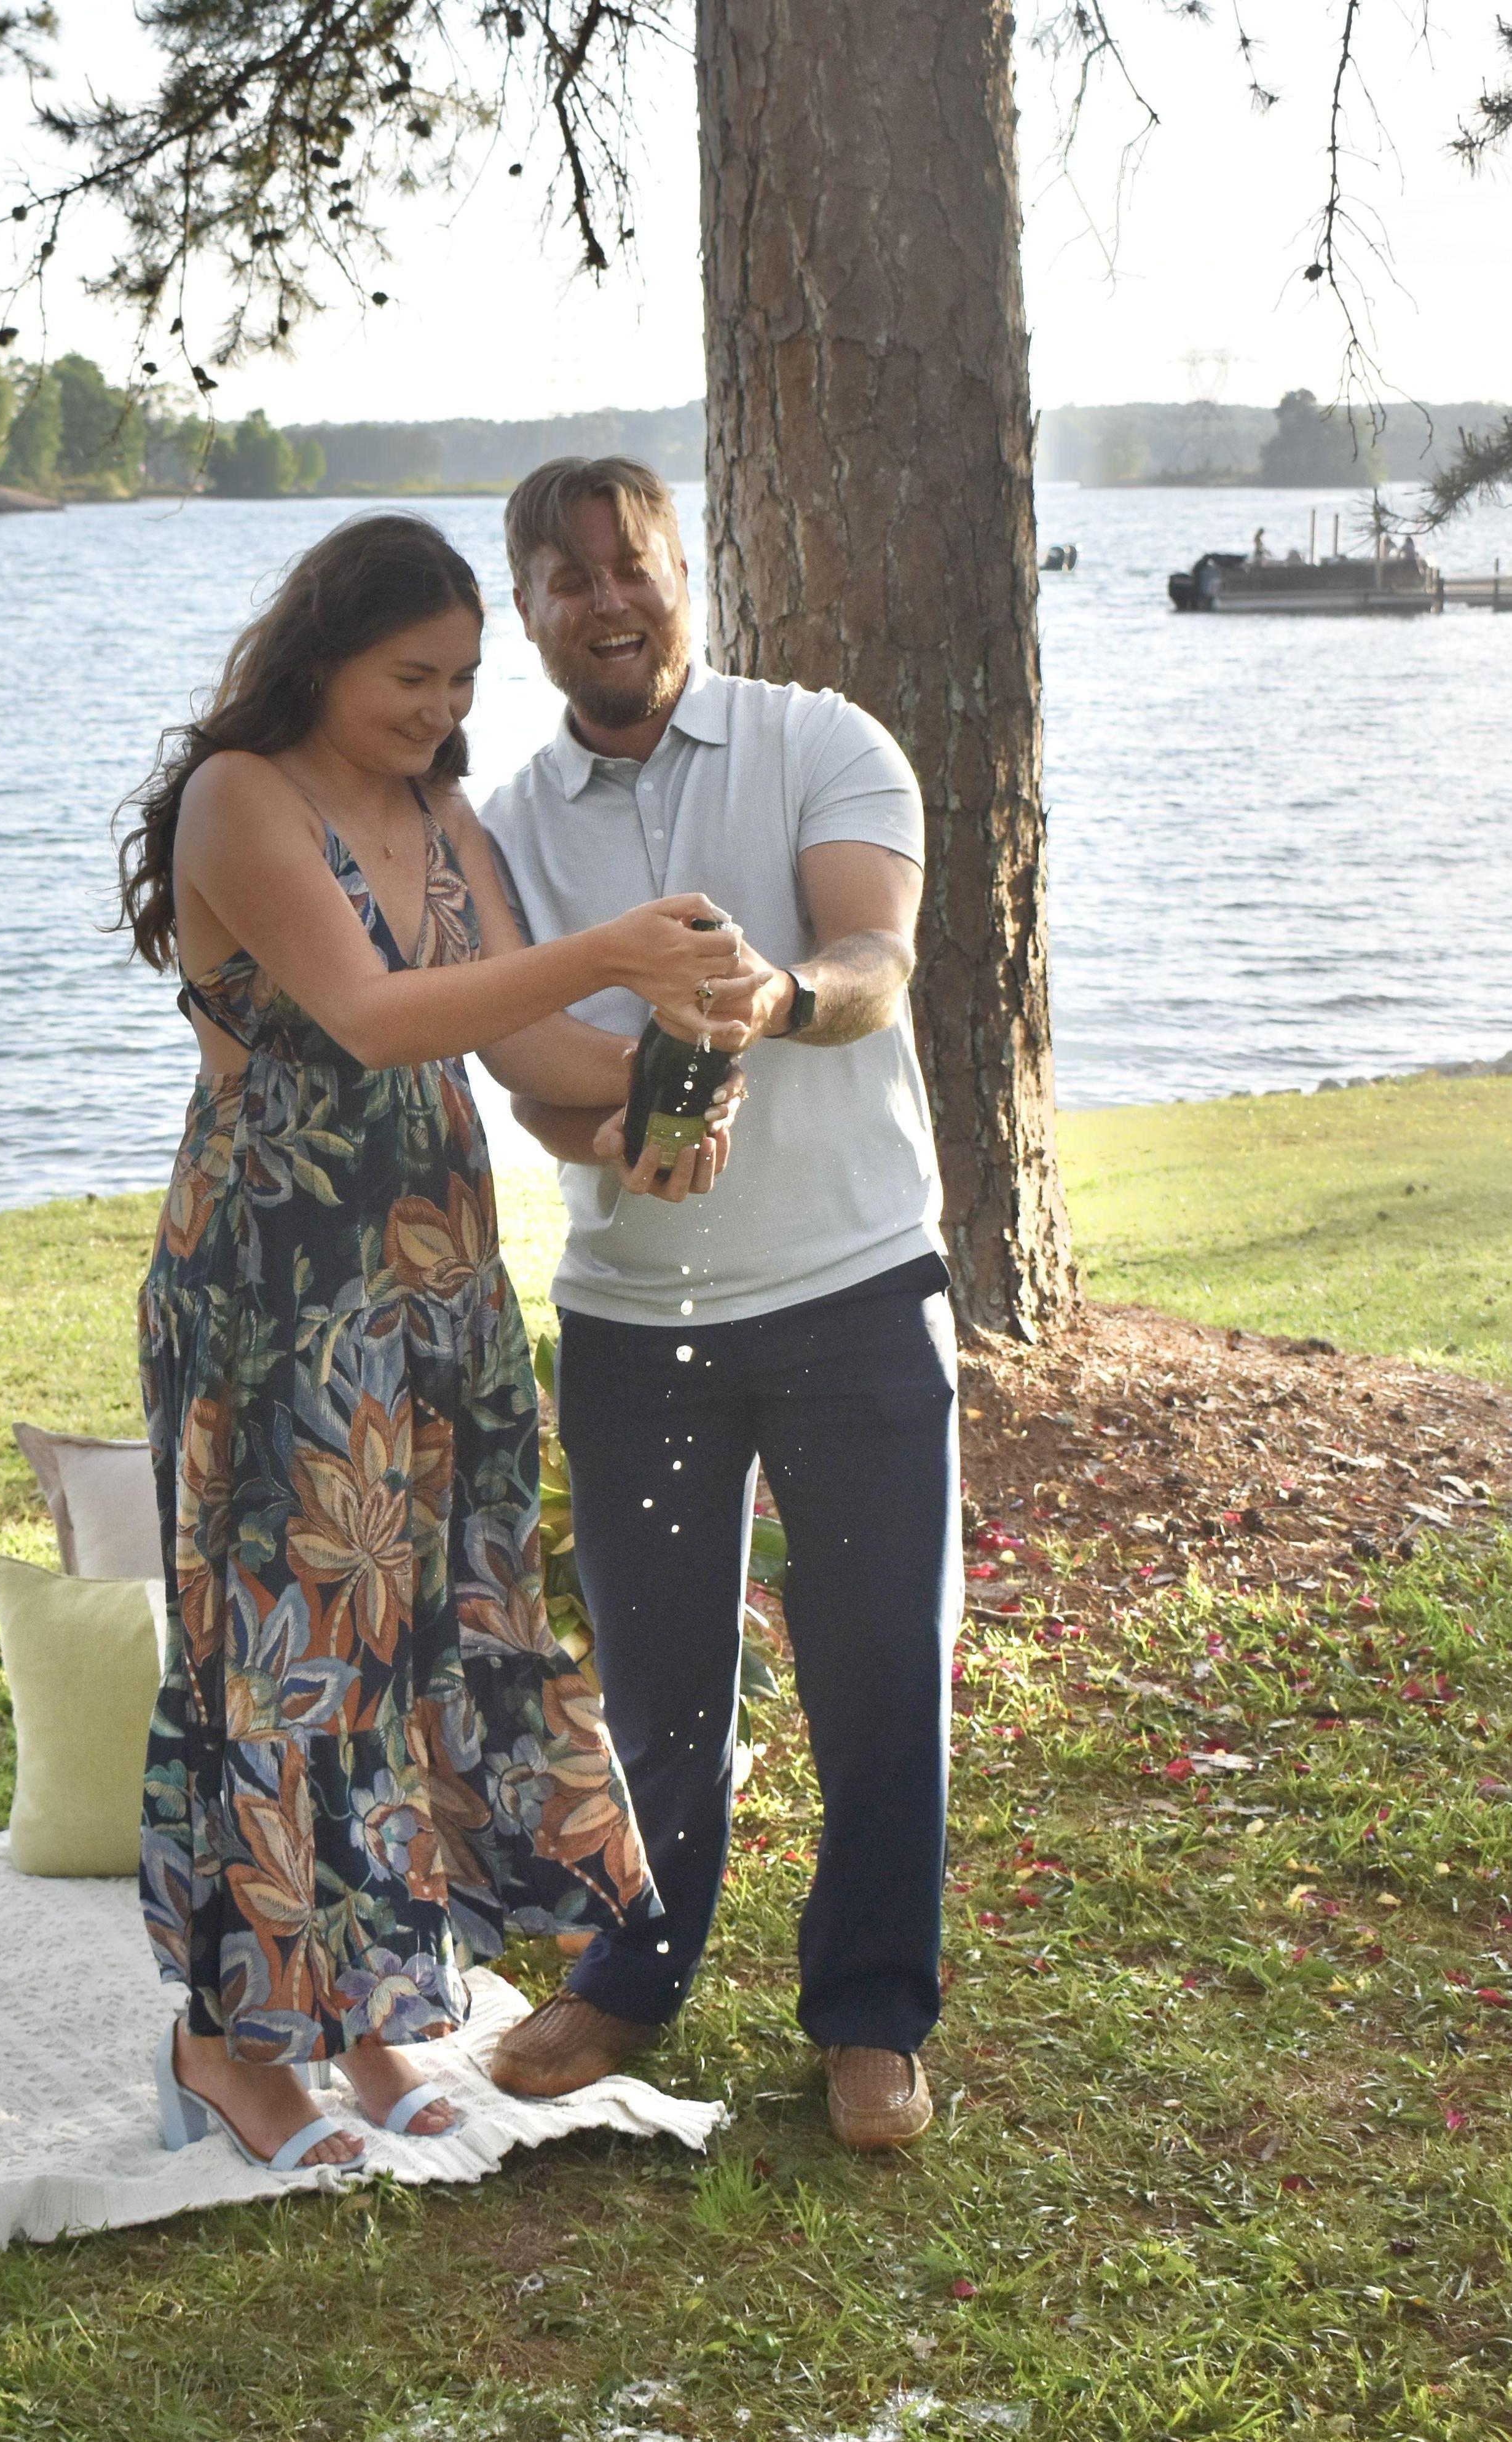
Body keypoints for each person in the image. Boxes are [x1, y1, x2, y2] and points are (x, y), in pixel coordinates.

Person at [117, 513, 738, 2173]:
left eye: (463, 680)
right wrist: (614, 949)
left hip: (434, 1268)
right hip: (275, 1284)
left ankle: (372, 2014)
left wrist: (683, 1065)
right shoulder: (241, 797)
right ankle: (228, 2045)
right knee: (281, 1649)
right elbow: (376, 1015)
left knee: (411, 1639)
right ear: (322, 653)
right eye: (411, 675)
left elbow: (522, 1042)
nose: (439, 707)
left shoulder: (439, 814)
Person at [474, 457, 960, 2153]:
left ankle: (872, 2014)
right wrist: (615, 1126)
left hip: (854, 1284)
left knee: (880, 1666)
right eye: (569, 578)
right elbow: (526, 1073)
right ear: (527, 611)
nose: (607, 600)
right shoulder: (504, 827)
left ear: (685, 572)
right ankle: (635, 1971)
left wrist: (773, 1000)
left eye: (633, 564)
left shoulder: (820, 742)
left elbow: (874, 961)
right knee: (658, 1685)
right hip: (636, 1315)